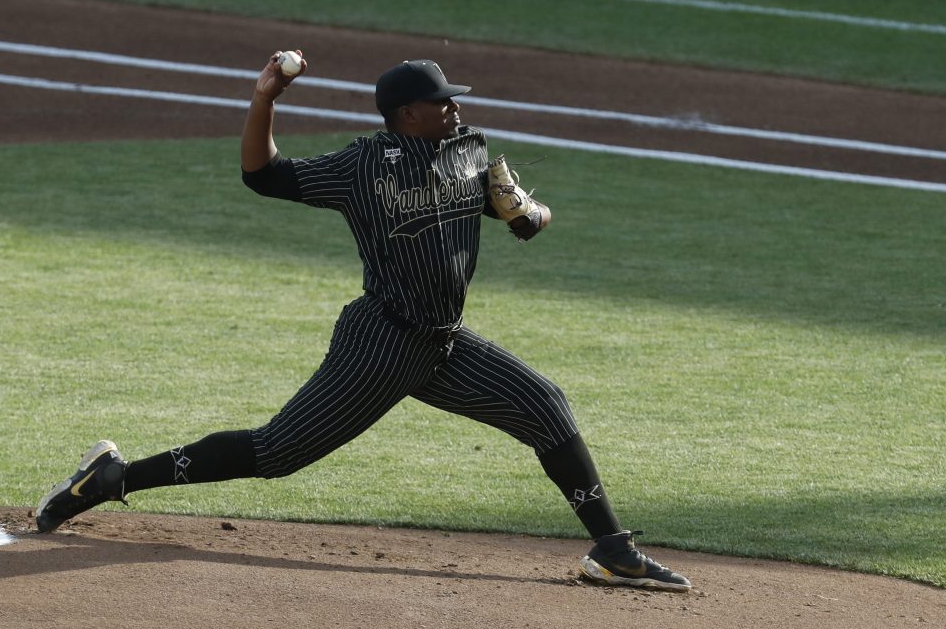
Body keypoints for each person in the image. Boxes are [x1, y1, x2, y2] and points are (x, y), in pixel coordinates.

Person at [35, 52, 691, 592]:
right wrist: (266, 96)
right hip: (379, 343)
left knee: (546, 404)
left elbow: (525, 223)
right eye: (442, 101)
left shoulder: (468, 153)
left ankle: (612, 549)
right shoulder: (362, 167)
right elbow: (261, 176)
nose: (455, 108)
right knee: (275, 453)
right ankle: (115, 477)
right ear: (408, 114)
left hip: (443, 342)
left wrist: (525, 207)